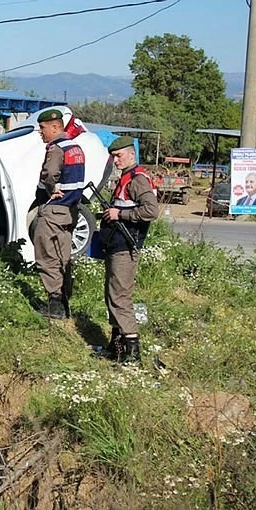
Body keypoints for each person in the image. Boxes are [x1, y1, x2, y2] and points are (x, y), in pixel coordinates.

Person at [101, 136, 158, 362]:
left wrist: (120, 214)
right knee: (112, 295)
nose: (115, 160)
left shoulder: (137, 179)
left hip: (126, 247)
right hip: (115, 245)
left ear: (131, 155)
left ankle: (132, 354)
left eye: (119, 156)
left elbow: (151, 211)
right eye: (113, 157)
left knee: (120, 297)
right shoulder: (125, 178)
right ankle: (115, 348)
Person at [33, 108, 86, 319]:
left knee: (47, 256)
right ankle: (64, 302)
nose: (41, 132)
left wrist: (49, 188)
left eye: (43, 128)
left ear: (56, 126)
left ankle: (54, 304)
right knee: (63, 256)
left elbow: (49, 175)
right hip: (70, 210)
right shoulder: (76, 147)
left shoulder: (56, 148)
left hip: (54, 210)